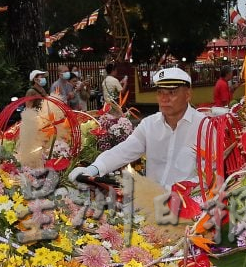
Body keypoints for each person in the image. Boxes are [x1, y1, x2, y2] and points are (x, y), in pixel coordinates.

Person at [69, 67, 201, 188]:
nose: (164, 99)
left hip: (191, 205)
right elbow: (123, 151)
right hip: (153, 202)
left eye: (172, 92)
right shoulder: (149, 125)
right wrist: (93, 169)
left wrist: (182, 191)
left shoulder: (204, 126)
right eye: (160, 92)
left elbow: (212, 174)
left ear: (188, 95)